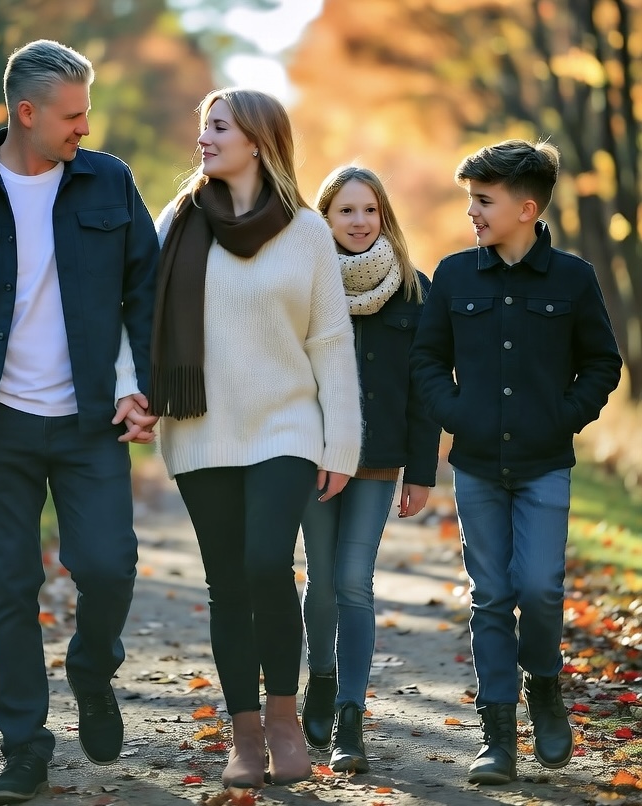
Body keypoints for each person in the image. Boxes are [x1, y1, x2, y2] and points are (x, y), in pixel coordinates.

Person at [0, 39, 160, 806]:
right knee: (11, 587)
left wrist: (140, 388)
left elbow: (144, 290)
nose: (86, 125)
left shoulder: (109, 182)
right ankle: (24, 747)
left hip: (90, 423)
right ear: (27, 112)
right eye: (73, 114)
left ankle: (91, 668)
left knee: (108, 566)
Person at [147, 88, 363, 789]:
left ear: (257, 143)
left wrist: (341, 444)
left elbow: (329, 342)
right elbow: (138, 315)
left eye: (217, 126)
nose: (203, 137)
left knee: (268, 563)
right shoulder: (175, 223)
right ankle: (242, 732)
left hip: (285, 427)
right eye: (203, 125)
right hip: (199, 426)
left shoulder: (305, 230)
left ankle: (282, 717)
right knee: (226, 582)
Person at [410, 139, 622, 785]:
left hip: (543, 464)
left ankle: (545, 688)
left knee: (538, 587)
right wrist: (458, 415)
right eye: (468, 199)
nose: (470, 211)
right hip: (475, 464)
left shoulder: (572, 278)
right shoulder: (452, 276)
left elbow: (601, 363)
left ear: (525, 208)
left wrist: (561, 417)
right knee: (492, 596)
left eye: (483, 200)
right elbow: (424, 361)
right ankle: (496, 736)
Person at [299, 166, 441, 773]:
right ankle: (323, 681)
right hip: (315, 454)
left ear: (385, 216)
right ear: (325, 219)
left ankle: (350, 717)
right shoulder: (303, 281)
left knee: (354, 580)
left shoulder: (416, 290)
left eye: (370, 211)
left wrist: (422, 468)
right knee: (322, 580)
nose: (359, 222)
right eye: (346, 211)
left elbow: (424, 388)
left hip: (379, 460)